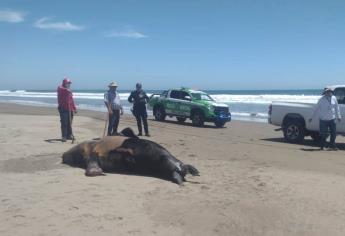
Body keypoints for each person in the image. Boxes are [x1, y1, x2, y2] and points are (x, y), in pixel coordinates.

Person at [57, 78, 77, 142]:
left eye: (69, 83)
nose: (69, 84)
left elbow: (72, 100)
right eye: (68, 83)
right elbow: (61, 89)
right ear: (64, 83)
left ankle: (69, 135)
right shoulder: (60, 88)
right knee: (64, 123)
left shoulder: (69, 91)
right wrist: (66, 90)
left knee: (69, 123)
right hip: (63, 108)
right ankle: (64, 136)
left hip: (70, 108)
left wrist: (74, 108)